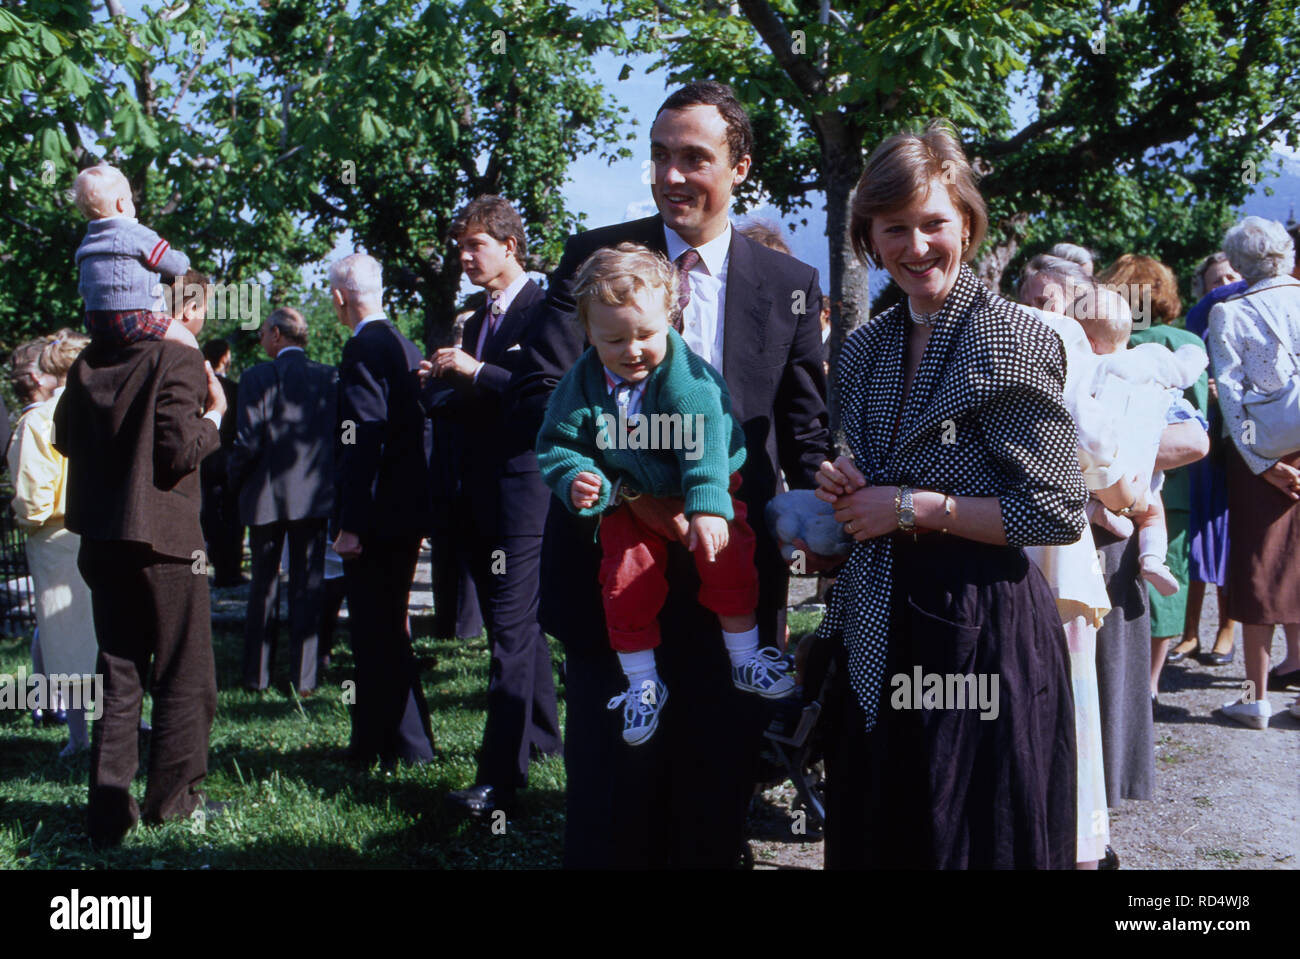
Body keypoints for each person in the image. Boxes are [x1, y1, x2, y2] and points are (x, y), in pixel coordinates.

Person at [507, 80, 830, 867]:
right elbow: (540, 392)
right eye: (660, 155)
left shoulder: (789, 286)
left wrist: (827, 510)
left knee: (715, 805)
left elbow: (805, 428)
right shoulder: (594, 256)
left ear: (740, 165)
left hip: (732, 588)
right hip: (609, 575)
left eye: (695, 157)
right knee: (612, 810)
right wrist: (632, 496)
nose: (672, 174)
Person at [806, 120, 1085, 869]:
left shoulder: (1013, 339)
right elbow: (869, 465)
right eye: (894, 227)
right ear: (869, 233)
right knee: (886, 826)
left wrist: (912, 506)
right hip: (878, 618)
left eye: (933, 222)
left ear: (966, 220)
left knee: (967, 832)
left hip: (978, 621)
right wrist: (845, 483)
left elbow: (1056, 508)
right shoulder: (863, 346)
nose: (915, 245)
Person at [537, 244, 795, 745]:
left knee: (729, 553)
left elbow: (706, 444)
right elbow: (558, 442)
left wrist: (706, 506)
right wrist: (576, 478)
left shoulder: (687, 380)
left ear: (672, 319)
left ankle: (744, 657)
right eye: (613, 339)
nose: (633, 350)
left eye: (647, 335)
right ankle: (641, 682)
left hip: (708, 480)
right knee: (623, 577)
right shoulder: (581, 383)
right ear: (588, 333)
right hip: (630, 497)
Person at [53, 282, 227, 847]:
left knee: (118, 673)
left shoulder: (88, 358)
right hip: (166, 541)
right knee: (183, 673)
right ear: (189, 309)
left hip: (102, 539)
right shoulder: (179, 355)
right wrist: (217, 416)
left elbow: (62, 436)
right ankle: (174, 806)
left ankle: (109, 811)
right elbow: (179, 451)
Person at [425, 196, 561, 817]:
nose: (463, 257)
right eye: (460, 246)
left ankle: (498, 781)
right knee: (518, 631)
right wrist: (441, 383)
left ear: (510, 245)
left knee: (508, 633)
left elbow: (544, 396)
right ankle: (542, 743)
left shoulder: (547, 307)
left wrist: (476, 372)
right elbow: (477, 402)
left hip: (525, 495)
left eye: (474, 245)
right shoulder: (474, 314)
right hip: (479, 492)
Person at [330, 253, 437, 768]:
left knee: (375, 632)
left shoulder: (364, 347)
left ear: (339, 298)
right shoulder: (402, 343)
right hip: (404, 508)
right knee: (389, 626)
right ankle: (406, 743)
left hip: (375, 516)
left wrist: (351, 523)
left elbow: (362, 438)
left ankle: (382, 746)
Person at [1099, 254, 1211, 700]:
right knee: (1163, 573)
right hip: (1174, 487)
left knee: (1113, 576)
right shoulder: (1183, 342)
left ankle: (1113, 678)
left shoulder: (1105, 345)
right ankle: (1149, 686)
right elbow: (1199, 424)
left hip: (1106, 484)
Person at [1206, 217, 1300, 727]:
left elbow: (1233, 404)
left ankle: (1256, 697)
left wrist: (1263, 466)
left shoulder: (1229, 313)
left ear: (1238, 264)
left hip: (1264, 453)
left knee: (1259, 574)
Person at [228, 306, 338, 696]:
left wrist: (232, 478)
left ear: (276, 334)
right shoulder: (329, 376)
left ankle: (256, 676)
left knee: (263, 585)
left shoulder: (256, 376)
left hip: (264, 496)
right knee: (307, 585)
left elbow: (248, 438)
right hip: (313, 495)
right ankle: (304, 679)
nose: (260, 340)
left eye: (261, 333)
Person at [8, 334, 97, 752]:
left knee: (66, 636)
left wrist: (23, 517)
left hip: (56, 538)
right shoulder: (101, 409)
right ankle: (130, 720)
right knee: (106, 630)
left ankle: (78, 737)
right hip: (100, 528)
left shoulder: (39, 419)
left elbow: (33, 498)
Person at [1170, 252, 1245, 666]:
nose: (1225, 285)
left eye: (1232, 277)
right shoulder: (1194, 333)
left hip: (1235, 446)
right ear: (1204, 289)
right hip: (1200, 444)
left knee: (1227, 536)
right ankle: (1190, 633)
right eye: (1217, 280)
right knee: (1196, 537)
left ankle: (1227, 630)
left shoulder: (1248, 326)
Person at [71, 164, 196, 350]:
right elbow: (173, 265)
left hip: (95, 321)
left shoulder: (87, 243)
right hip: (134, 317)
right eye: (130, 199)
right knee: (187, 341)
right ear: (121, 203)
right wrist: (184, 260)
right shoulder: (135, 234)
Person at [426, 309, 483, 643]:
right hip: (454, 471)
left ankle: (456, 625)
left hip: (452, 472)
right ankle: (458, 625)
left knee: (454, 555)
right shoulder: (451, 370)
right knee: (452, 554)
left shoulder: (470, 370)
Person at [199, 334, 245, 587]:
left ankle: (210, 564)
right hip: (227, 458)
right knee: (232, 515)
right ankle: (231, 569)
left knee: (208, 514)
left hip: (203, 457)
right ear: (225, 357)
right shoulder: (236, 390)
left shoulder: (197, 388)